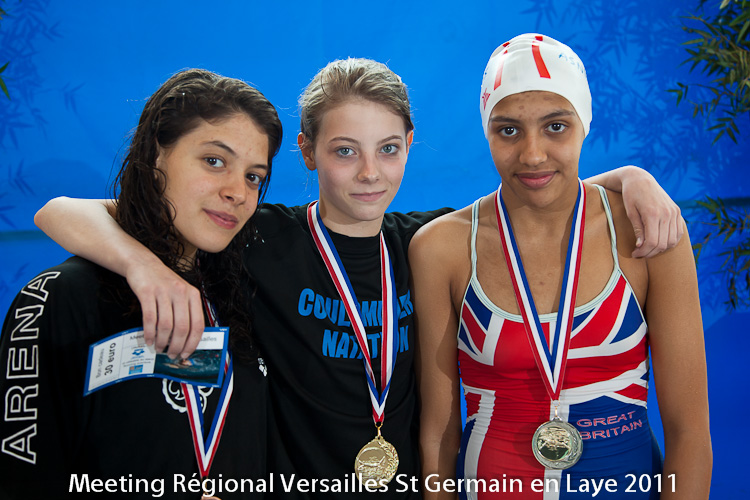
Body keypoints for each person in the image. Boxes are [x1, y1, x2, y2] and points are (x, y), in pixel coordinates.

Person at [33, 58, 682, 499]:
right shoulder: (261, 235)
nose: (370, 172)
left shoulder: (430, 243)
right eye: (345, 151)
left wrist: (631, 178)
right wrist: (142, 265)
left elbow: (537, 189)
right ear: (308, 151)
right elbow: (63, 211)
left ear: (409, 144)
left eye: (388, 149)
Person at [411, 34, 711, 500]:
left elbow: (688, 432)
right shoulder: (441, 249)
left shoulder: (648, 232)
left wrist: (632, 176)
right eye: (508, 130)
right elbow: (438, 436)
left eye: (556, 126)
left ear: (584, 123)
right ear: (487, 132)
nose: (532, 154)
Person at [0, 68, 283, 499]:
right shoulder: (62, 296)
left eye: (253, 176)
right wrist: (142, 266)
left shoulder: (246, 290)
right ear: (155, 155)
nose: (238, 192)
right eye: (214, 161)